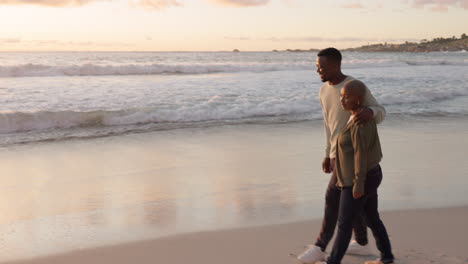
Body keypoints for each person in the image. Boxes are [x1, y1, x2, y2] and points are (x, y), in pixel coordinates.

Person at [297, 48, 386, 263]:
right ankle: (363, 243)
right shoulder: (323, 91)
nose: (317, 70)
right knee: (359, 204)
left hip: (355, 157)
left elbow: (381, 111)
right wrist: (327, 153)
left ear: (336, 65)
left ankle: (320, 246)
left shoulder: (354, 87)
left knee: (332, 199)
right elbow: (329, 125)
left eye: (322, 66)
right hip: (338, 155)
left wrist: (370, 112)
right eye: (317, 66)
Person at [317, 80, 394, 264]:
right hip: (370, 175)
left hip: (359, 178)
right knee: (372, 218)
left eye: (347, 97)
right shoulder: (355, 117)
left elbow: (361, 155)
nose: (342, 100)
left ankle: (333, 261)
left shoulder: (360, 122)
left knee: (344, 224)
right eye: (341, 96)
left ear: (359, 100)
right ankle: (387, 257)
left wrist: (358, 183)